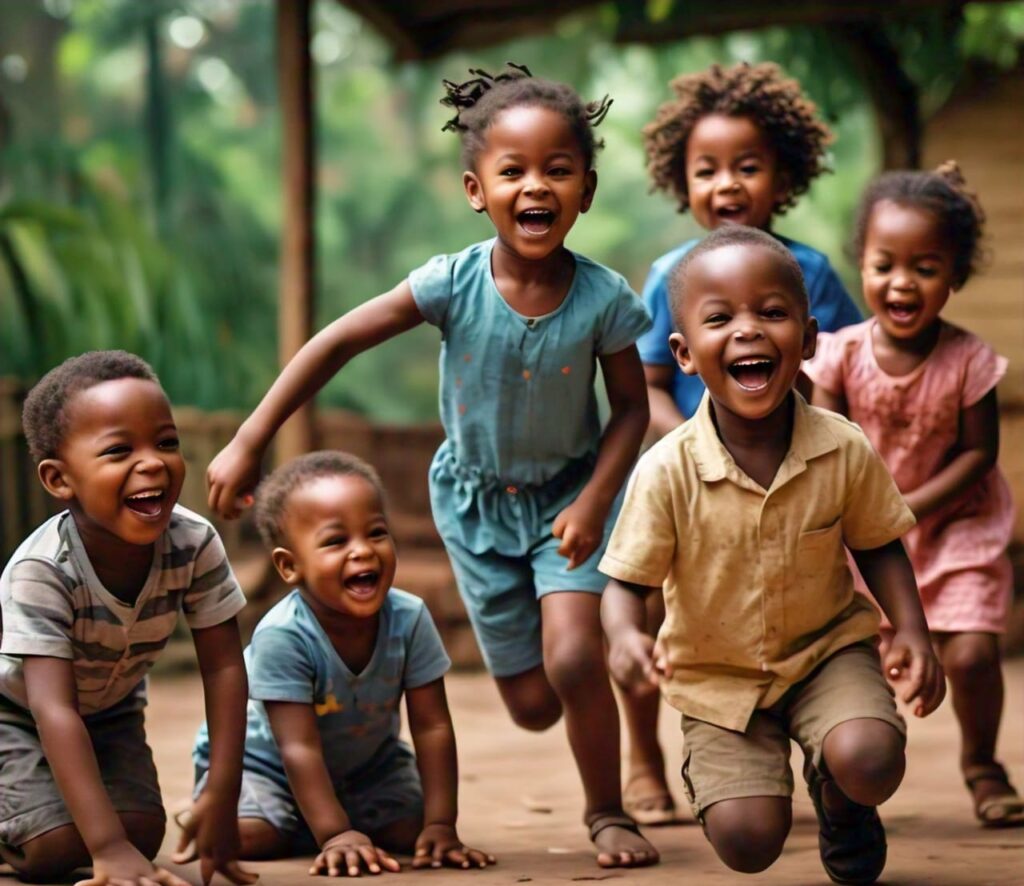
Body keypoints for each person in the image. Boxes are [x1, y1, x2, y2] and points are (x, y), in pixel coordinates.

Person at [204, 65, 658, 868]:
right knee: (529, 704)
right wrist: (250, 437)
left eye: (557, 169)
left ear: (586, 190)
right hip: (475, 507)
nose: (535, 186)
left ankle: (607, 810)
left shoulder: (604, 299)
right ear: (476, 189)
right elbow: (336, 340)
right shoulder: (450, 284)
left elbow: (629, 409)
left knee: (575, 656)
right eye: (512, 170)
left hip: (569, 501)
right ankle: (585, 659)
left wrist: (595, 500)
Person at [600, 226, 946, 884]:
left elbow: (879, 544)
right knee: (749, 841)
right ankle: (738, 784)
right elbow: (623, 583)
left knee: (870, 758)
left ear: (810, 341)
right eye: (720, 318)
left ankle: (844, 800)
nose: (748, 330)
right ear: (683, 353)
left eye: (772, 312)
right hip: (717, 679)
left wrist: (914, 631)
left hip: (826, 654)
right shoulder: (666, 469)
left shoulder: (842, 448)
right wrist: (623, 637)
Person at [622, 61, 863, 823]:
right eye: (707, 170)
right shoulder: (668, 275)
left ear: (783, 176)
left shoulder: (811, 270)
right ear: (680, 183)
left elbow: (840, 366)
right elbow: (648, 384)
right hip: (690, 478)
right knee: (647, 611)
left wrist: (814, 429)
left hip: (792, 474)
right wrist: (682, 444)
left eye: (747, 166)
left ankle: (824, 741)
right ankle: (644, 759)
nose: (727, 184)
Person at [805, 162, 1022, 828]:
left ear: (953, 277)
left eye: (925, 268)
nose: (902, 282)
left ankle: (983, 765)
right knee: (844, 659)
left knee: (973, 653)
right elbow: (824, 443)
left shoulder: (969, 361)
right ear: (862, 267)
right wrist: (865, 518)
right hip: (861, 540)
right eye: (884, 264)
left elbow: (979, 452)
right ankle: (835, 770)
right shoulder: (839, 355)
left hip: (955, 527)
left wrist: (913, 506)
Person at [0, 351, 255, 886]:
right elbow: (53, 709)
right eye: (119, 450)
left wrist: (220, 792)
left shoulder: (194, 542)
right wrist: (106, 846)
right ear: (58, 479)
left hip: (111, 711)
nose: (153, 463)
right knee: (54, 848)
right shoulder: (42, 570)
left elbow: (226, 668)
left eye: (166, 442)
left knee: (141, 832)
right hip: (18, 716)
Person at [176, 451, 493, 876]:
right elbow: (297, 747)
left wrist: (441, 824)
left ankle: (323, 816)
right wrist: (335, 834)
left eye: (376, 533)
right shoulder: (284, 635)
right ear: (290, 566)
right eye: (335, 541)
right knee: (256, 837)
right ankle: (215, 810)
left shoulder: (410, 618)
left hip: (368, 766)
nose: (363, 551)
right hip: (265, 764)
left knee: (413, 831)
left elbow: (433, 726)